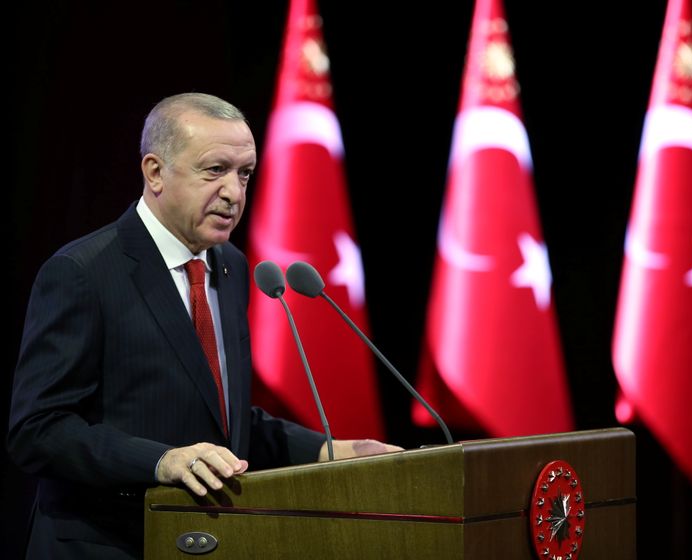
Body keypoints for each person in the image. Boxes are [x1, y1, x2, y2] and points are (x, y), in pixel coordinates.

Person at [7, 92, 402, 559]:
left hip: (206, 543)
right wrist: (160, 460)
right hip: (107, 543)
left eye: (245, 173)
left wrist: (330, 451)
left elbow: (223, 421)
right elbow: (38, 430)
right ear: (154, 172)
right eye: (214, 171)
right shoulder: (83, 272)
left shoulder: (230, 268)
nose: (234, 192)